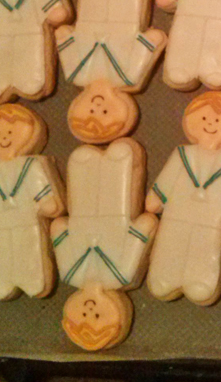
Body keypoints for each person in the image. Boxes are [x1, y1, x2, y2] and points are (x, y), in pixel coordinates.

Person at [146, 92, 221, 305]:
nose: (210, 124)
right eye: (203, 118)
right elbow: (167, 180)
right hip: (175, 216)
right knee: (170, 245)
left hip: (210, 221)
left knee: (204, 249)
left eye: (219, 120)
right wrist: (156, 197)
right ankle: (164, 276)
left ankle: (200, 280)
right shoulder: (181, 154)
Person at [53, 138, 157, 351]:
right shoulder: (122, 275)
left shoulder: (69, 274)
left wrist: (62, 229)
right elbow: (143, 230)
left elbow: (59, 228)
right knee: (121, 161)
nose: (89, 309)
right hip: (117, 213)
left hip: (83, 215)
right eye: (97, 315)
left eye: (82, 315)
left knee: (83, 163)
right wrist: (143, 228)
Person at [57, 0, 166, 144]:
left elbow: (64, 39)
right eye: (105, 111)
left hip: (88, 23)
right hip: (126, 24)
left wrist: (63, 37)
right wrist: (150, 42)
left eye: (90, 111)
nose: (97, 106)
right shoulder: (128, 78)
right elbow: (148, 46)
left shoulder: (76, 75)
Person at [0, 104, 64, 300]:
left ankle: (32, 280)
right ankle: (0, 284)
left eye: (10, 132)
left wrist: (47, 202)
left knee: (27, 251)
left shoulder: (31, 165)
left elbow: (45, 196)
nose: (4, 138)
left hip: (26, 222)